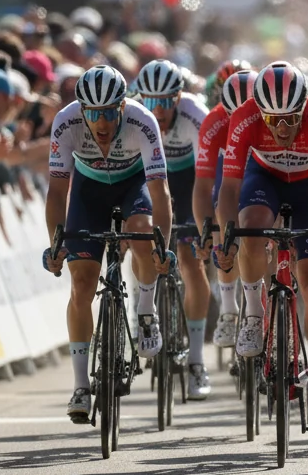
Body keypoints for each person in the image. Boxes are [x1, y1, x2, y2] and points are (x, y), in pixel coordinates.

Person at [215, 62, 308, 430]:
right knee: (251, 227)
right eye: (273, 120)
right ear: (259, 111)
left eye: (291, 119)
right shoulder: (244, 118)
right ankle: (255, 314)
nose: (283, 129)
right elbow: (228, 189)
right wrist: (227, 236)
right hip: (266, 180)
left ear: (303, 108)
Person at [42, 65, 174, 424]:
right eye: (93, 113)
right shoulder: (66, 122)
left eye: (108, 113)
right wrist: (56, 245)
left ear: (122, 107)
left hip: (133, 186)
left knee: (142, 233)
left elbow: (160, 192)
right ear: (82, 110)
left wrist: (163, 244)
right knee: (82, 284)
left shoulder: (143, 121)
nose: (100, 122)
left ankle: (146, 312)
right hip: (88, 192)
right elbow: (57, 192)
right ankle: (81, 384)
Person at [135, 59, 215, 401]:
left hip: (188, 182)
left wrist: (202, 225)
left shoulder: (196, 114)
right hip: (147, 180)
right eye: (151, 102)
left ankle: (197, 360)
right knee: (141, 246)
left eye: (165, 102)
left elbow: (206, 178)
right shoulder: (135, 114)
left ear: (178, 97)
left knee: (190, 260)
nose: (159, 110)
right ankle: (145, 308)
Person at [193, 69, 257, 350]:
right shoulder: (213, 123)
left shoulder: (270, 117)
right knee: (222, 219)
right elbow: (203, 186)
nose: (238, 123)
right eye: (232, 117)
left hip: (260, 171)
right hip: (226, 175)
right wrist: (206, 232)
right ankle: (229, 309)